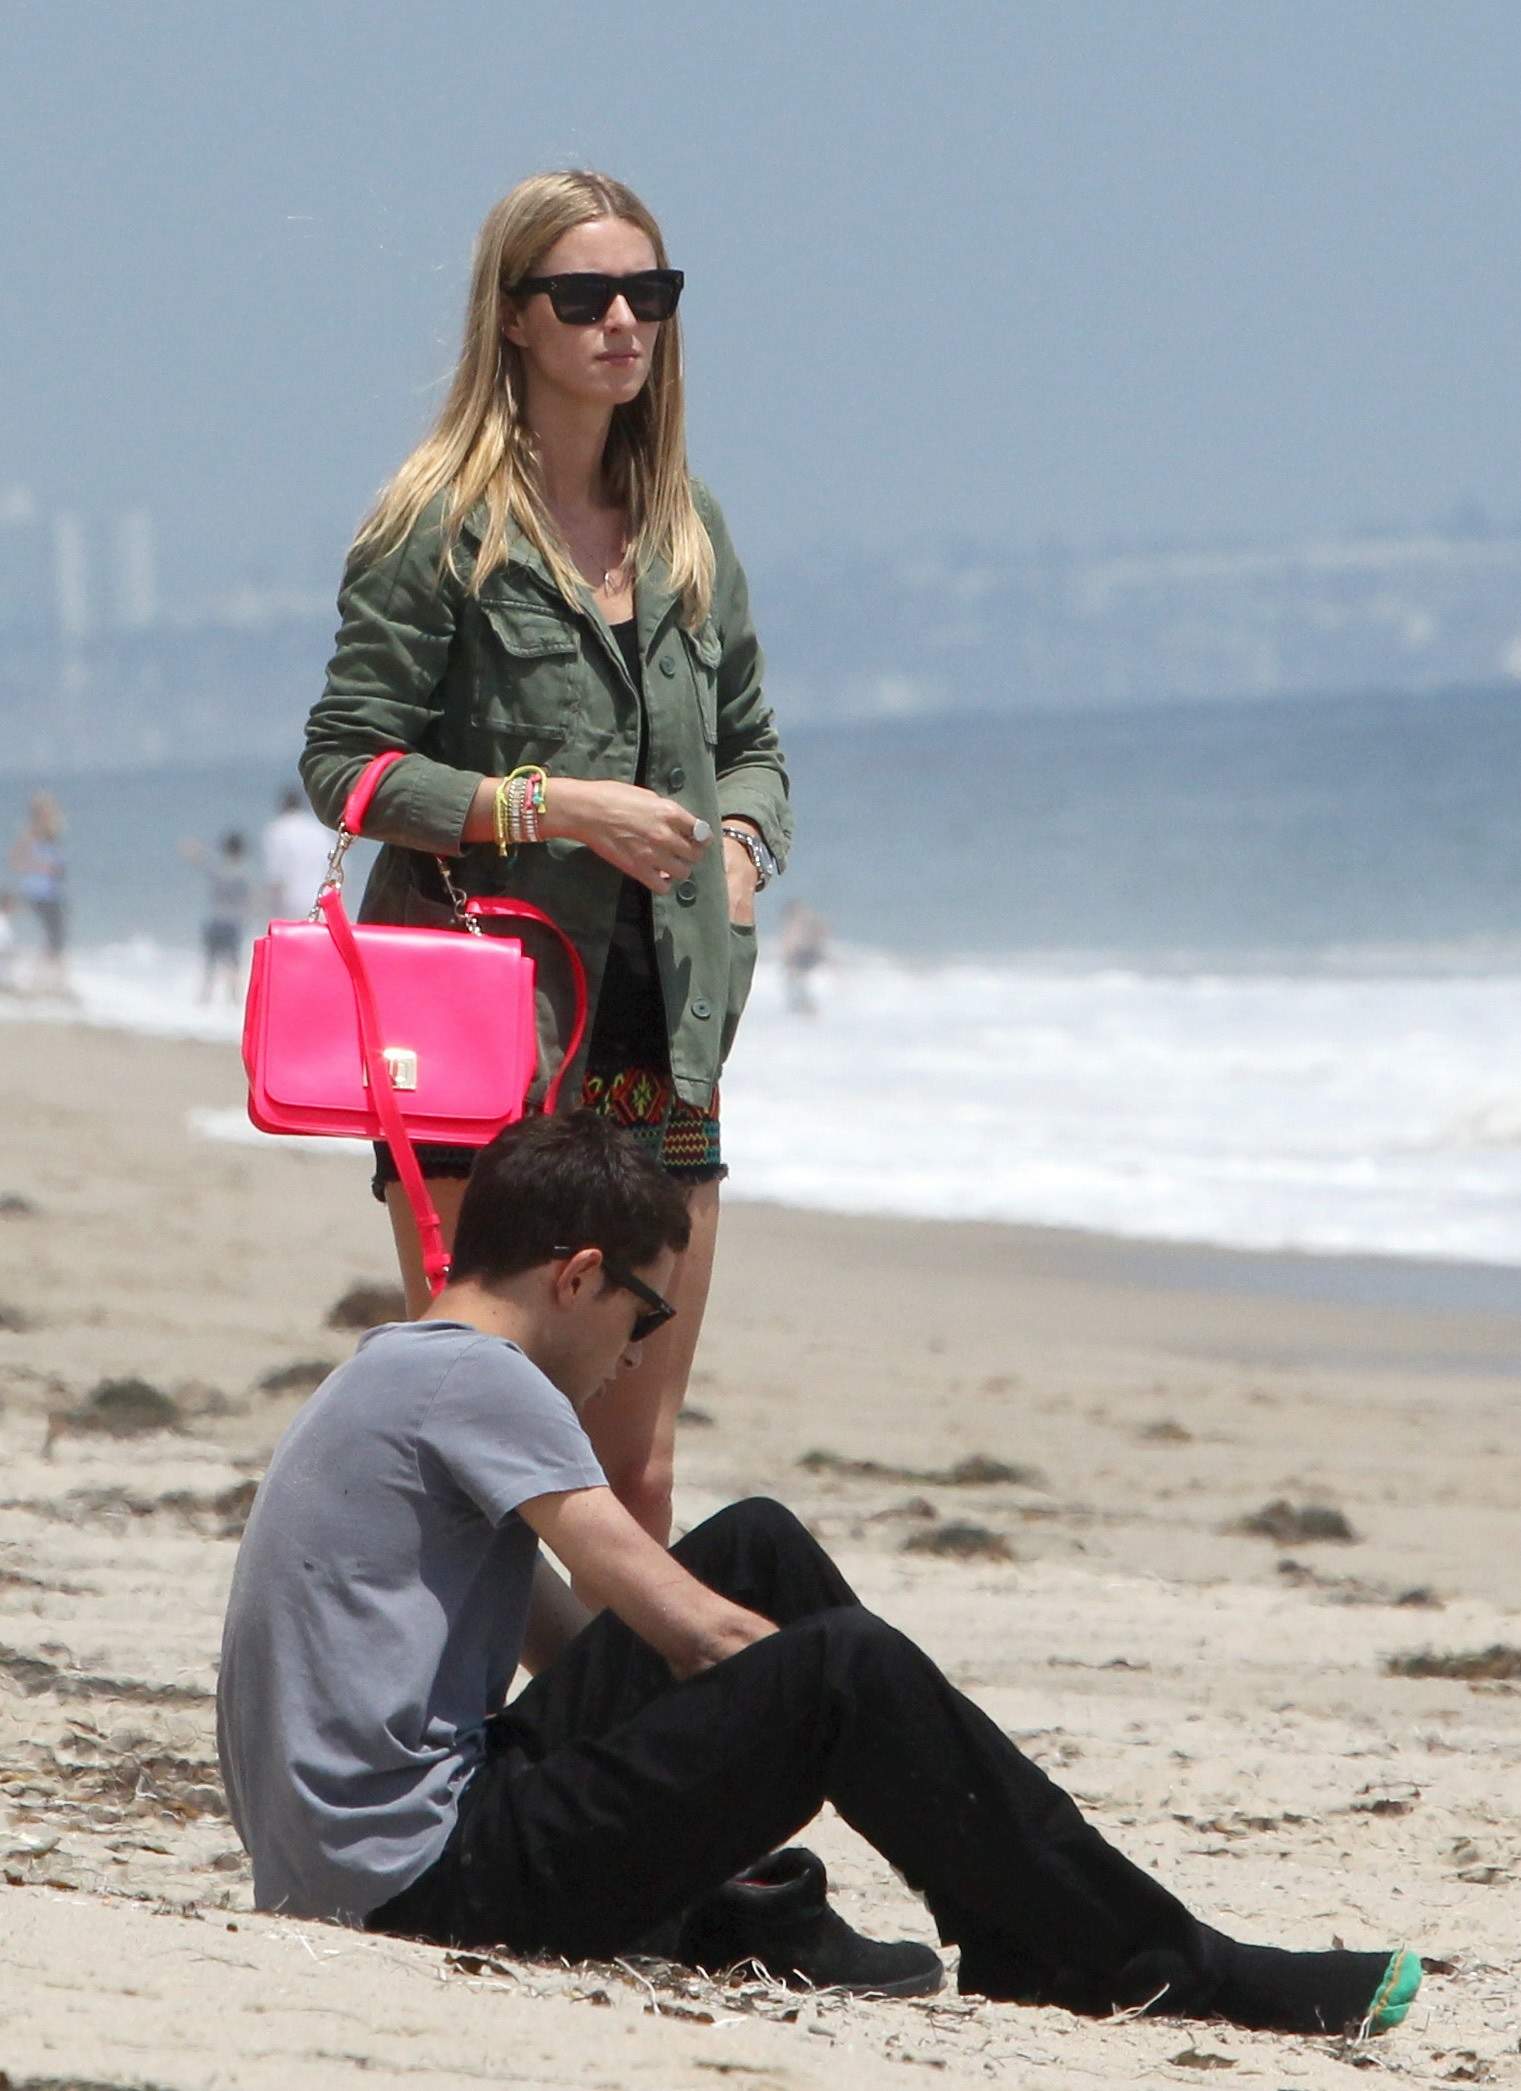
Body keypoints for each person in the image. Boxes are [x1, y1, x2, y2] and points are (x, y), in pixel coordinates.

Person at [218, 1113, 1422, 2040]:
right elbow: (688, 1635)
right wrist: (818, 1704)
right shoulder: (485, 1380)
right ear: (577, 1277)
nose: (636, 1354)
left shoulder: (403, 1370)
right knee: (844, 1668)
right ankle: (1157, 1963)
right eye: (644, 1315)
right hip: (422, 1882)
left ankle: (905, 1919)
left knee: (757, 1543)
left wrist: (724, 1764)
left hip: (375, 1857)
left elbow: (579, 1654)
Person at [300, 169, 790, 1554]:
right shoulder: (435, 525)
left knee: (636, 1469)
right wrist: (555, 808)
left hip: (663, 1035)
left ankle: (616, 1705)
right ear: (513, 317)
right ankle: (454, 1693)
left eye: (649, 292)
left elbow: (752, 746)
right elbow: (348, 766)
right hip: (486, 1037)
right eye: (584, 296)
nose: (622, 321)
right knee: (488, 1445)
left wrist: (740, 841)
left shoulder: (687, 526)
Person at [181, 830, 253, 1004]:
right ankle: (235, 1004)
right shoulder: (243, 873)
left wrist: (192, 850)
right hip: (233, 924)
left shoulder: (219, 869)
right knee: (234, 967)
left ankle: (204, 1002)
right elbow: (250, 900)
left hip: (216, 921)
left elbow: (202, 861)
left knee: (210, 966)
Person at [9, 790, 70, 996]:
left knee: (56, 937)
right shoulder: (30, 835)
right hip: (38, 892)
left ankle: (48, 980)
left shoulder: (50, 834)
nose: (52, 814)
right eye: (48, 811)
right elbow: (16, 862)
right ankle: (43, 980)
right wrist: (42, 867)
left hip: (52, 892)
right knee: (55, 937)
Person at [261, 784, 334, 922]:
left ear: (282, 806)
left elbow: (276, 878)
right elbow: (336, 871)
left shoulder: (278, 830)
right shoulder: (320, 830)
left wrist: (269, 913)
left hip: (291, 903)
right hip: (323, 901)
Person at [780, 897, 829, 1015]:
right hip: (804, 956)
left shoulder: (802, 921)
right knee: (797, 984)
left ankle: (806, 1008)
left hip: (805, 956)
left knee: (798, 983)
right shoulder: (802, 920)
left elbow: (789, 944)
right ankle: (804, 1008)